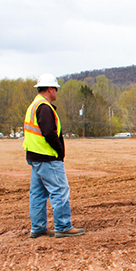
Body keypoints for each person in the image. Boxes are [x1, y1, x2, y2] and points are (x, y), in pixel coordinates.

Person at [23, 73, 85, 239]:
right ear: (50, 89)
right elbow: (49, 133)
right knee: (59, 190)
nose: (56, 92)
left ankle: (38, 227)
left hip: (35, 156)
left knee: (37, 194)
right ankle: (63, 226)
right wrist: (59, 151)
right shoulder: (44, 107)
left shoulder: (34, 105)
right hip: (47, 157)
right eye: (55, 89)